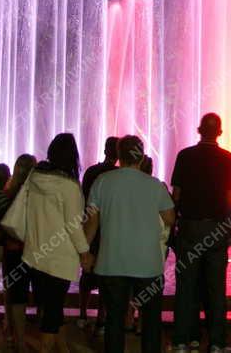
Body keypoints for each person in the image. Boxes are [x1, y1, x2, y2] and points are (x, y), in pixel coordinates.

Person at [84, 135, 175, 353]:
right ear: (142, 157)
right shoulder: (155, 186)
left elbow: (91, 224)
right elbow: (170, 218)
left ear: (119, 155)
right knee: (152, 322)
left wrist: (83, 253)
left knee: (114, 321)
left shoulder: (103, 182)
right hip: (148, 264)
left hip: (112, 262)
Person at [170, 113, 231, 353]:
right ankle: (217, 342)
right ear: (219, 132)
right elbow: (229, 196)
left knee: (186, 285)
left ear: (199, 130)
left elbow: (176, 194)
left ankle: (182, 340)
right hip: (216, 228)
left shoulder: (185, 156)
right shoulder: (229, 159)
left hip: (190, 226)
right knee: (216, 287)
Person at [21, 133, 93, 353]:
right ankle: (47, 348)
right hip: (58, 259)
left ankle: (62, 347)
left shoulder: (34, 179)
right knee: (52, 313)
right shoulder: (69, 186)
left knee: (51, 307)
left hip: (34, 256)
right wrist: (85, 253)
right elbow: (73, 225)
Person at [0, 153, 37, 353]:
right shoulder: (37, 196)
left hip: (12, 251)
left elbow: (1, 224)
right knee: (37, 294)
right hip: (35, 251)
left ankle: (17, 338)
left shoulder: (7, 194)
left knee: (16, 296)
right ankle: (42, 338)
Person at [79, 136, 118, 328]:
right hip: (111, 230)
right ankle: (102, 319)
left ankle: (82, 314)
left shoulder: (92, 172)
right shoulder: (119, 175)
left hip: (91, 228)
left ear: (104, 151)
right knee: (107, 275)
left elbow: (83, 198)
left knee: (87, 273)